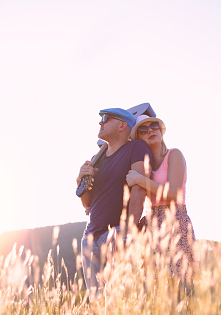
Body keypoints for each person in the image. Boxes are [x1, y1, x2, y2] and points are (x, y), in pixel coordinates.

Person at [76, 107, 152, 301]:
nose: (100, 122)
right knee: (96, 300)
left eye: (106, 118)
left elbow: (139, 187)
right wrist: (81, 181)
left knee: (119, 297)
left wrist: (129, 228)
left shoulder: (136, 148)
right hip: (91, 237)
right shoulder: (96, 159)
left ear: (122, 125)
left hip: (119, 232)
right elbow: (88, 204)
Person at [125, 114, 196, 282]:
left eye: (154, 126)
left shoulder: (174, 155)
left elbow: (173, 193)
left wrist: (140, 180)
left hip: (175, 222)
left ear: (161, 130)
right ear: (138, 138)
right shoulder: (142, 167)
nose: (150, 130)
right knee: (156, 288)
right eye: (143, 129)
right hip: (152, 226)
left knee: (180, 286)